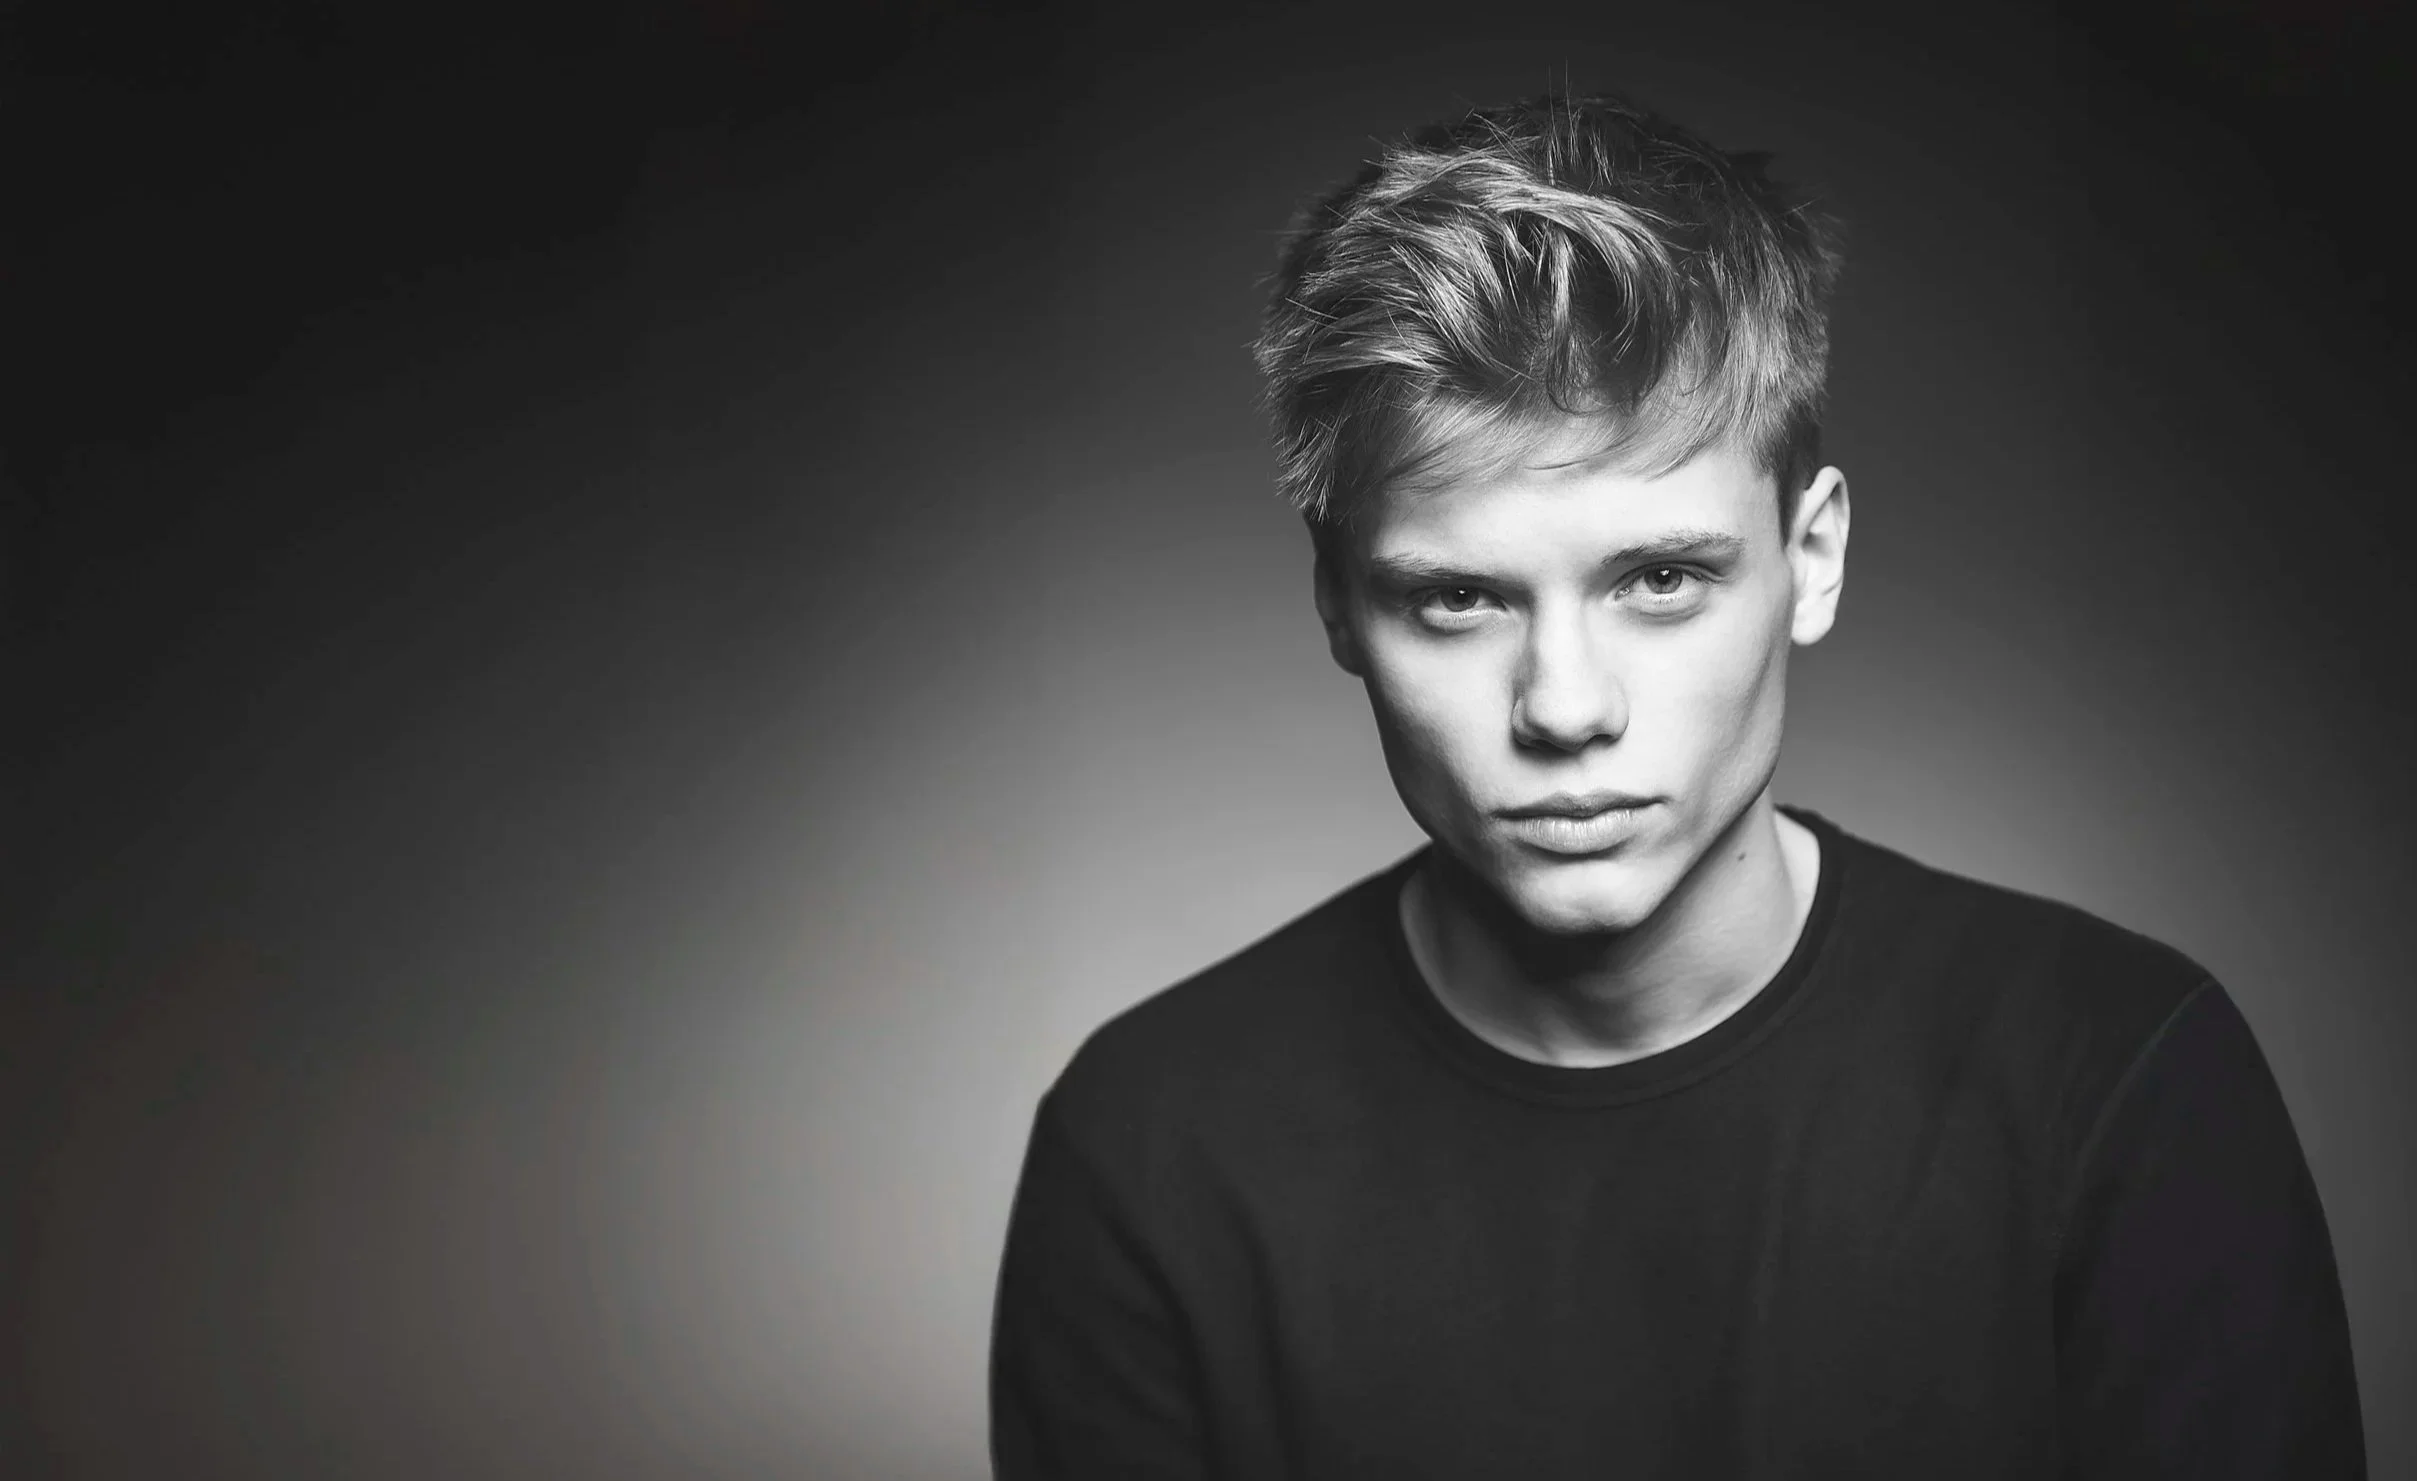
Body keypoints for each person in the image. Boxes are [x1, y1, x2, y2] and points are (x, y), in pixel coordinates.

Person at [987, 92, 2365, 1479]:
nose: (1567, 708)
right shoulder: (1153, 1148)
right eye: (1459, 598)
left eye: (1660, 579)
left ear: (1809, 558)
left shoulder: (2120, 1081)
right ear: (1339, 606)